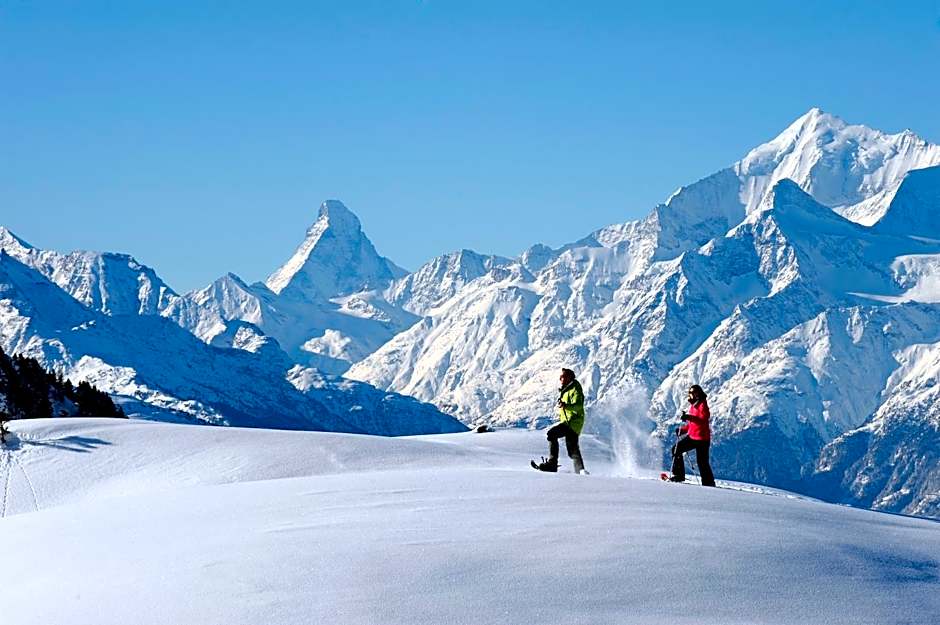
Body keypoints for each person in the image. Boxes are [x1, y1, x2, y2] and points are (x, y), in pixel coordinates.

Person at [533, 368, 587, 474]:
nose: (560, 379)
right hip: (571, 423)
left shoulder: (575, 389)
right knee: (572, 451)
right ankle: (581, 471)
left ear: (568, 378)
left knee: (551, 434)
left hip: (572, 423)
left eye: (562, 377)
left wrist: (566, 405)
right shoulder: (568, 389)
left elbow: (578, 406)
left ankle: (552, 464)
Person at [668, 384, 716, 486]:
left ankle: (708, 483)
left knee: (702, 462)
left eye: (692, 393)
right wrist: (683, 430)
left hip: (702, 439)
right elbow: (692, 425)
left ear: (697, 394)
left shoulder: (703, 405)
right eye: (690, 393)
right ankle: (679, 475)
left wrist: (689, 417)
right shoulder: (693, 406)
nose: (690, 395)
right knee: (676, 450)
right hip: (693, 436)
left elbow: (703, 420)